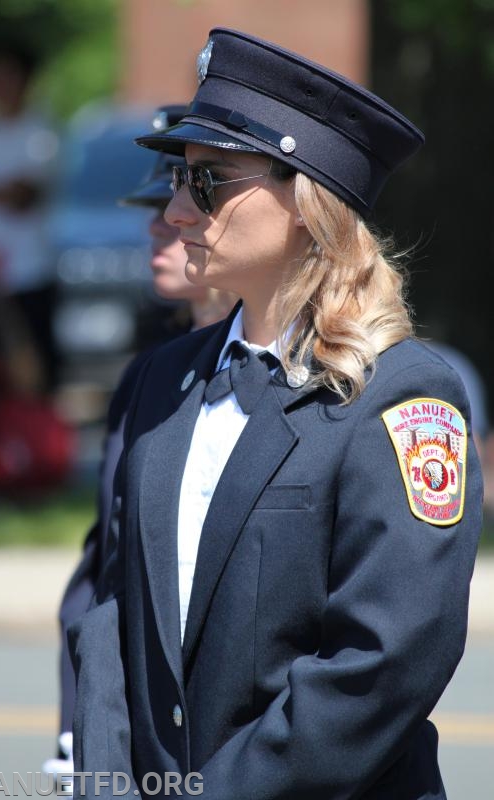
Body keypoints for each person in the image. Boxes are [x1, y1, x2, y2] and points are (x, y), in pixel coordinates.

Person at [71, 29, 483, 800]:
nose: (175, 211)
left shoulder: (400, 394)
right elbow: (112, 620)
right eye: (176, 178)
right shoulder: (163, 379)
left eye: (208, 182)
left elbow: (384, 662)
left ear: (305, 200)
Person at [43, 105, 235, 794]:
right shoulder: (150, 377)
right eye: (157, 202)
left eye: (177, 200)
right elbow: (102, 580)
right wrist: (80, 732)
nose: (160, 223)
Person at [0, 40, 59, 390]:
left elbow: (24, 196)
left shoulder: (39, 132)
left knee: (34, 376)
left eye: (7, 76)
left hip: (29, 272)